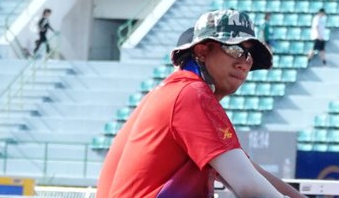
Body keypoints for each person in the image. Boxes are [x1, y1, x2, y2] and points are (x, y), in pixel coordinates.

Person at [96, 10, 301, 198]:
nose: (244, 63)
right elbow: (249, 186)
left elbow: (248, 171)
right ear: (202, 51)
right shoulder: (192, 94)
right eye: (235, 50)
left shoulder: (170, 92)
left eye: (250, 57)